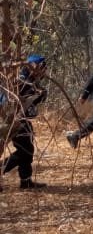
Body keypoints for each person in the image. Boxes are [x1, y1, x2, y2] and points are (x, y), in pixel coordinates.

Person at [2, 54, 49, 190]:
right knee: (25, 151)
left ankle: (26, 181)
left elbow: (32, 102)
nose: (44, 70)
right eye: (42, 66)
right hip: (15, 121)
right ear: (32, 66)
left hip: (24, 121)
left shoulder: (32, 81)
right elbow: (15, 102)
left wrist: (41, 95)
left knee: (27, 150)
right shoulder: (21, 82)